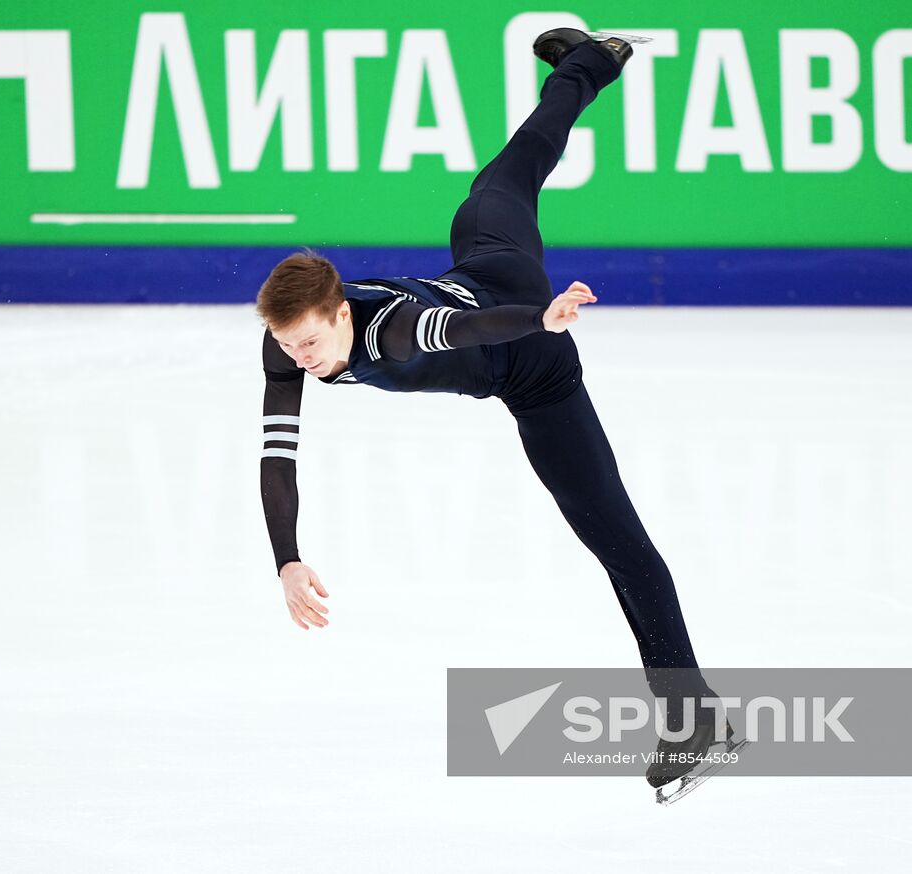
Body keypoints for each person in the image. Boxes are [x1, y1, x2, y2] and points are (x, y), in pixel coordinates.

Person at [255, 29, 734, 798]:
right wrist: (286, 557)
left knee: (618, 542)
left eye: (310, 341)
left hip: (533, 361)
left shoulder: (393, 330)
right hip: (486, 262)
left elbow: (462, 330)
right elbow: (277, 457)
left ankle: (696, 717)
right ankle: (592, 60)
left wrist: (540, 319)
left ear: (340, 312)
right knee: (510, 171)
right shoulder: (287, 343)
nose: (299, 357)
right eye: (288, 343)